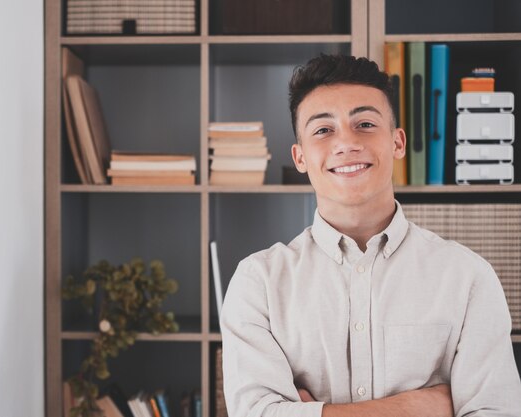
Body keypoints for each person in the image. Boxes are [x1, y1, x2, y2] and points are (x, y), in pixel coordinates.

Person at [220, 54, 521, 417]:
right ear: (300, 157)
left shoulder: (469, 277)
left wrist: (314, 411)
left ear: (397, 143)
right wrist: (420, 406)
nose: (346, 142)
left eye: (364, 124)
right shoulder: (259, 283)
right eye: (323, 130)